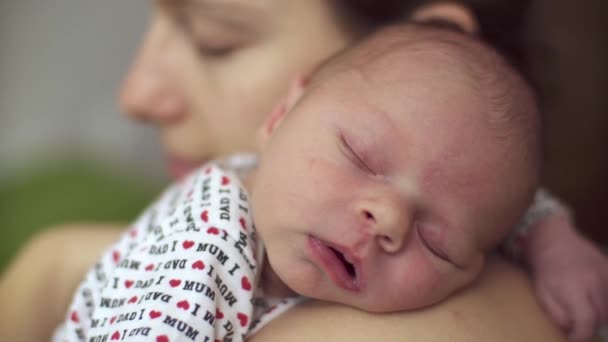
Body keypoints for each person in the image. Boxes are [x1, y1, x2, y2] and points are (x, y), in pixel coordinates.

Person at [0, 0, 605, 341]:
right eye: (360, 157)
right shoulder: (210, 230)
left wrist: (554, 240)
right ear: (286, 109)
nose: (135, 95)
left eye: (217, 41)